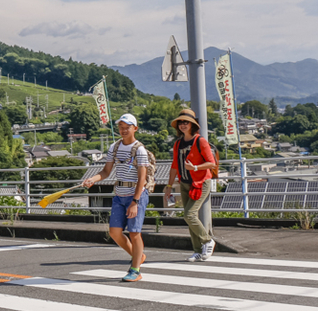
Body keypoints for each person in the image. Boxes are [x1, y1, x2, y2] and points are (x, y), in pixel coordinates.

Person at [82, 113, 149, 282]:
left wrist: (135, 201)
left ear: (135, 128)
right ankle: (138, 256)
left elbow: (142, 178)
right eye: (121, 127)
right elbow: (105, 172)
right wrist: (92, 180)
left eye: (127, 127)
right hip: (119, 194)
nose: (123, 130)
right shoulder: (115, 147)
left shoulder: (139, 149)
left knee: (134, 233)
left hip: (136, 194)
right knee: (114, 232)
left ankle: (135, 269)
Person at [165, 108, 217, 262]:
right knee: (189, 218)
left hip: (201, 183)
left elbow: (211, 163)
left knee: (189, 214)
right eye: (180, 122)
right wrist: (169, 186)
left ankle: (207, 240)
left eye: (186, 122)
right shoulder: (178, 143)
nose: (182, 124)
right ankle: (197, 250)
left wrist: (195, 168)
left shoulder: (200, 141)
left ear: (192, 124)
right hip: (185, 183)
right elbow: (174, 165)